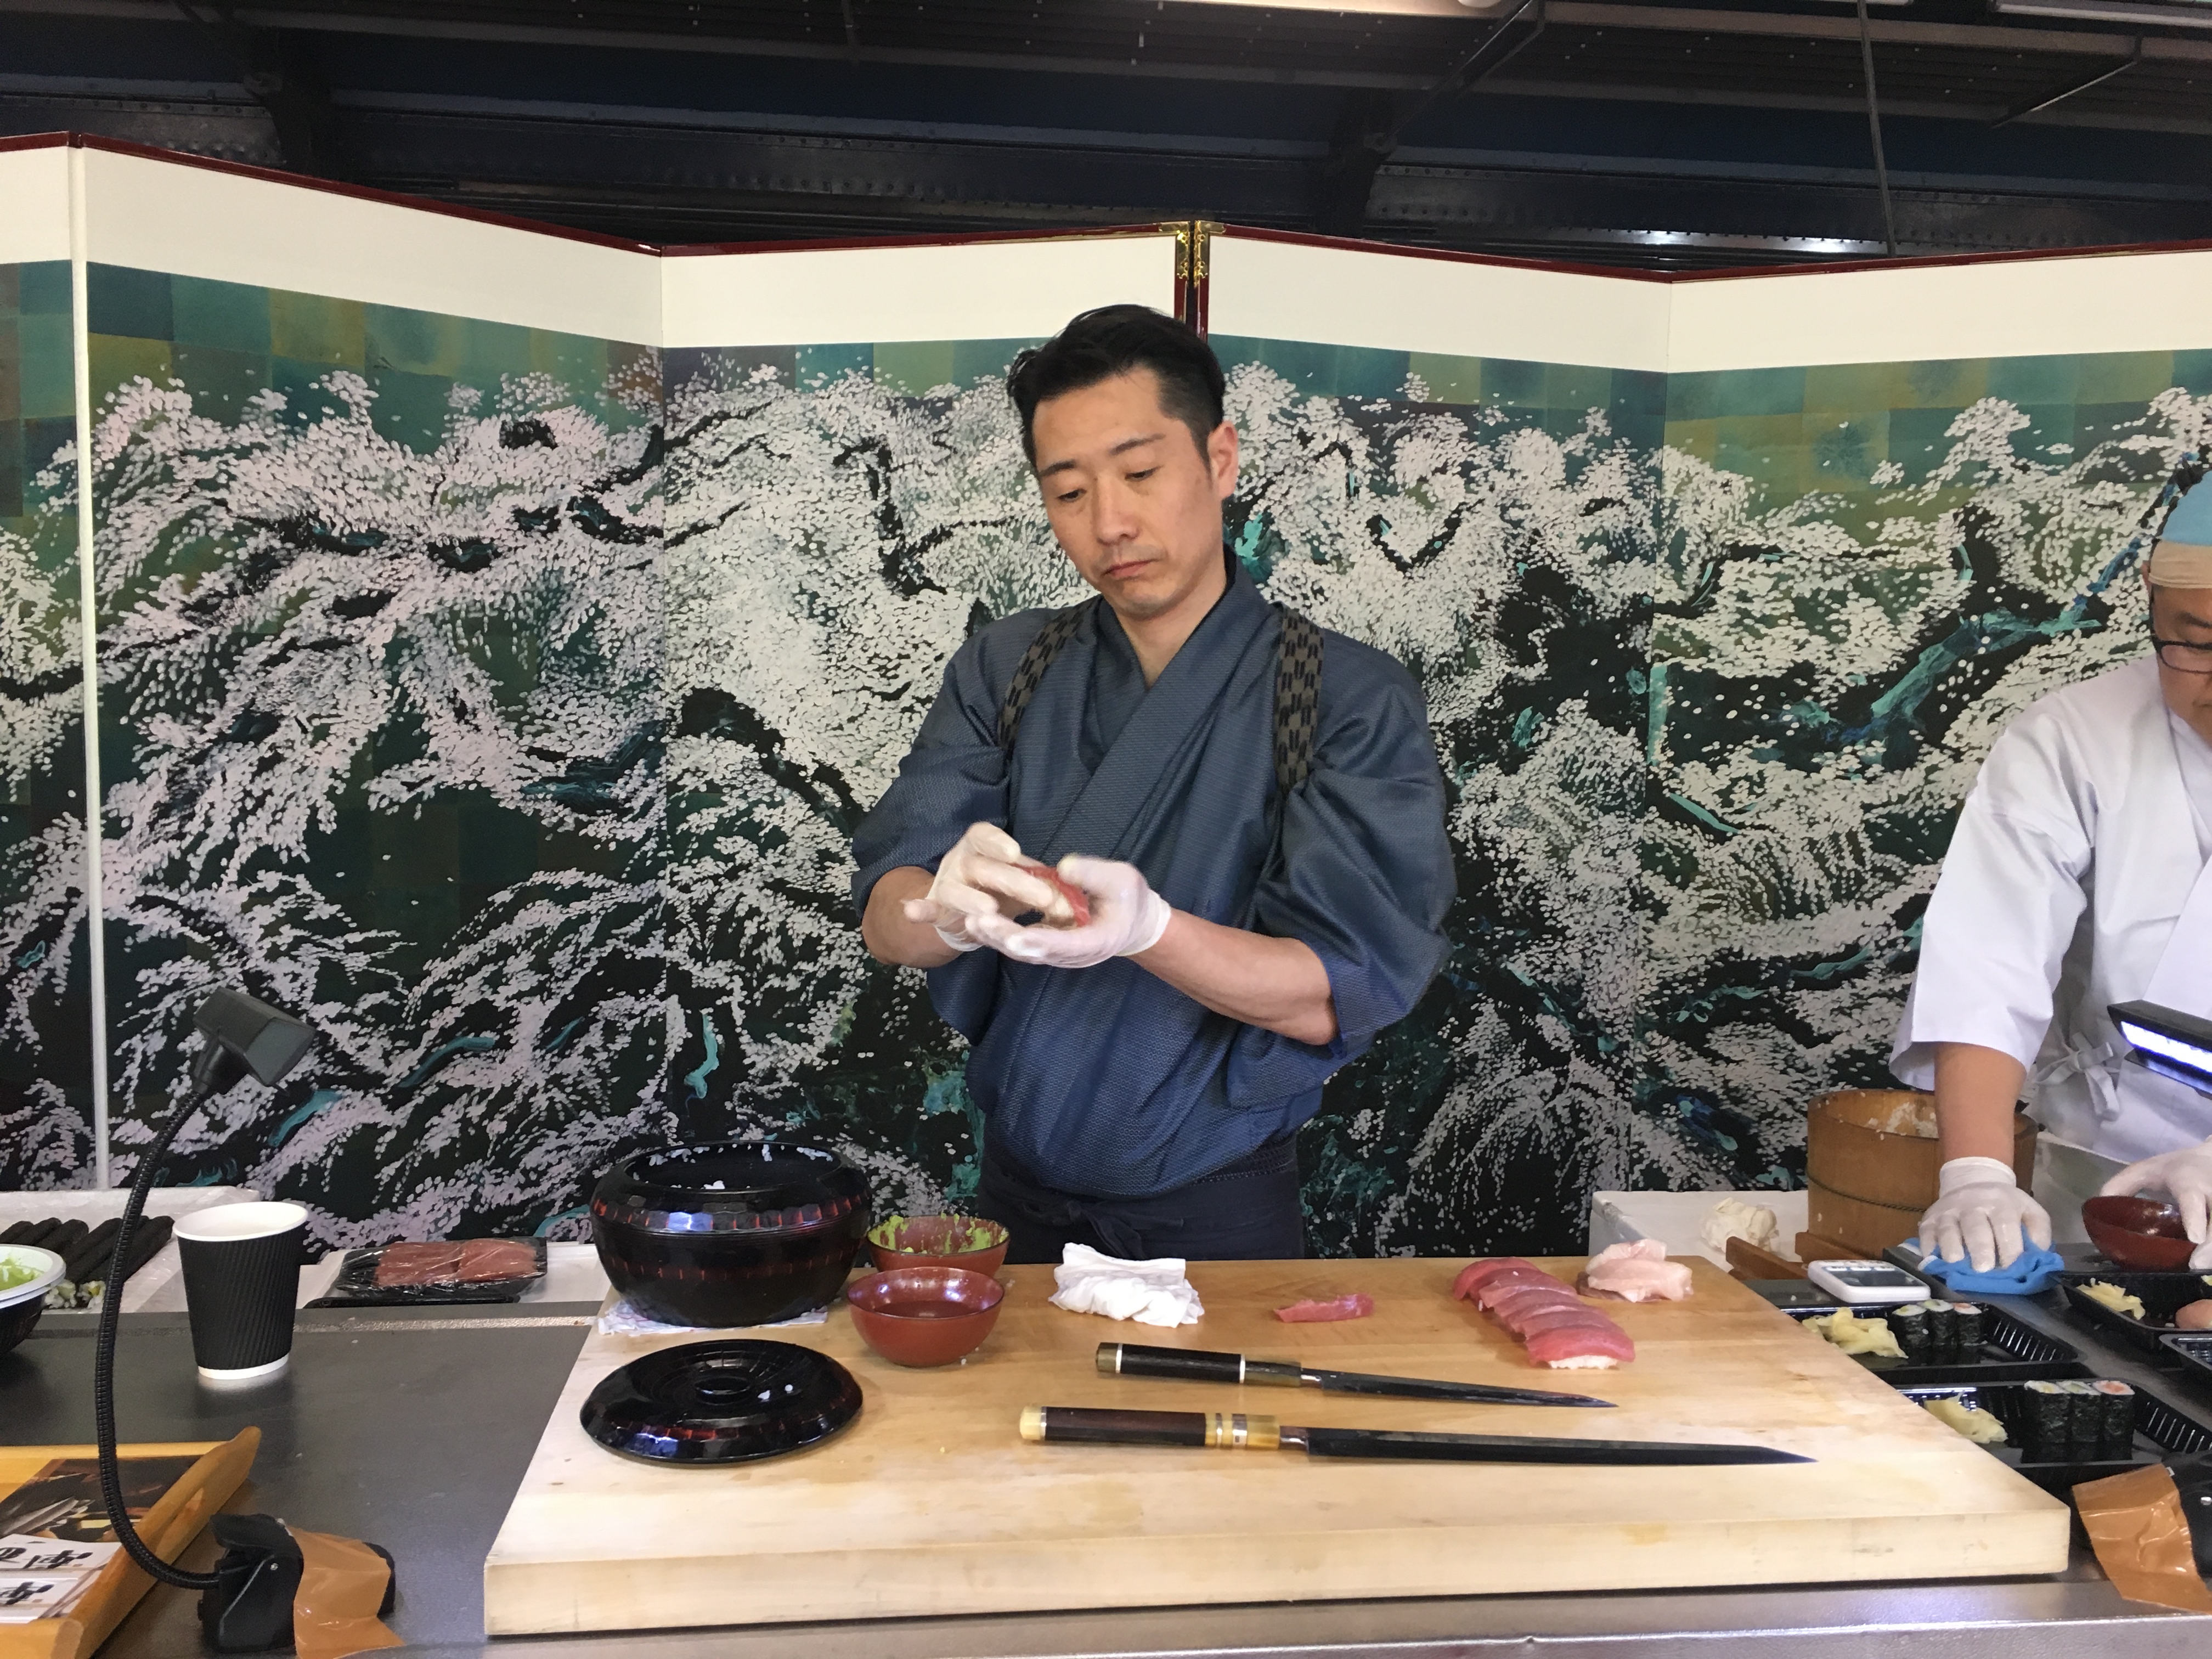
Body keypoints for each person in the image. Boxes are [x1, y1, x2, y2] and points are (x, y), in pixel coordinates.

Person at [850, 304, 1453, 1264]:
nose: (1110, 524)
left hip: (1219, 1214)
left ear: (1220, 459)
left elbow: (1336, 990)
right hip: (1012, 1200)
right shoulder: (1007, 668)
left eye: (1139, 474)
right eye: (1069, 491)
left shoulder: (1343, 694)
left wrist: (1150, 933)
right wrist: (947, 913)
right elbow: (888, 920)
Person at [1895, 475, 2212, 1272]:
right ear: (2150, 599)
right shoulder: (2074, 738)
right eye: (2198, 643)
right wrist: (1976, 1174)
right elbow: (1988, 962)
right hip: (2106, 1171)